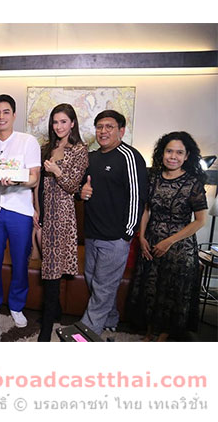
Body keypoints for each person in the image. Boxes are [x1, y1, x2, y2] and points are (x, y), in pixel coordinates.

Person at [129, 131, 207, 342]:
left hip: (179, 247)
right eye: (169, 151)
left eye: (179, 152)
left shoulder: (193, 183)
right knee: (150, 290)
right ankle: (149, 333)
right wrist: (142, 237)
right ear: (162, 153)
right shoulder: (153, 178)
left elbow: (200, 221)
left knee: (170, 293)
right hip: (151, 241)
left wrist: (169, 241)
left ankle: (162, 337)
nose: (173, 156)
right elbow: (145, 210)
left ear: (187, 156)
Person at [79, 109, 147, 336]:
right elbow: (82, 188)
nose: (103, 131)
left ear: (121, 131)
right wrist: (81, 191)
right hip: (92, 234)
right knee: (92, 280)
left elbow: (138, 197)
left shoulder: (130, 156)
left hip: (116, 237)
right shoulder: (92, 157)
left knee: (103, 287)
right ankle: (110, 318)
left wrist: (127, 233)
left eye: (109, 126)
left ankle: (86, 332)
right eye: (99, 127)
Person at [0, 94, 41, 328]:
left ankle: (16, 305)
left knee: (20, 261)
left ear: (14, 115)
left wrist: (15, 180)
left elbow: (34, 178)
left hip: (19, 210)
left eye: (6, 112)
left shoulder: (28, 141)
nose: (1, 116)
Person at [33, 104, 88, 341]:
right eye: (55, 122)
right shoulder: (47, 148)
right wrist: (36, 209)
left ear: (72, 123)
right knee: (48, 265)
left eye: (63, 121)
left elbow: (73, 186)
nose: (59, 126)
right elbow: (38, 184)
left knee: (53, 270)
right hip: (45, 211)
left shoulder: (79, 150)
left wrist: (57, 170)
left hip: (62, 216)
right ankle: (55, 311)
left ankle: (46, 329)